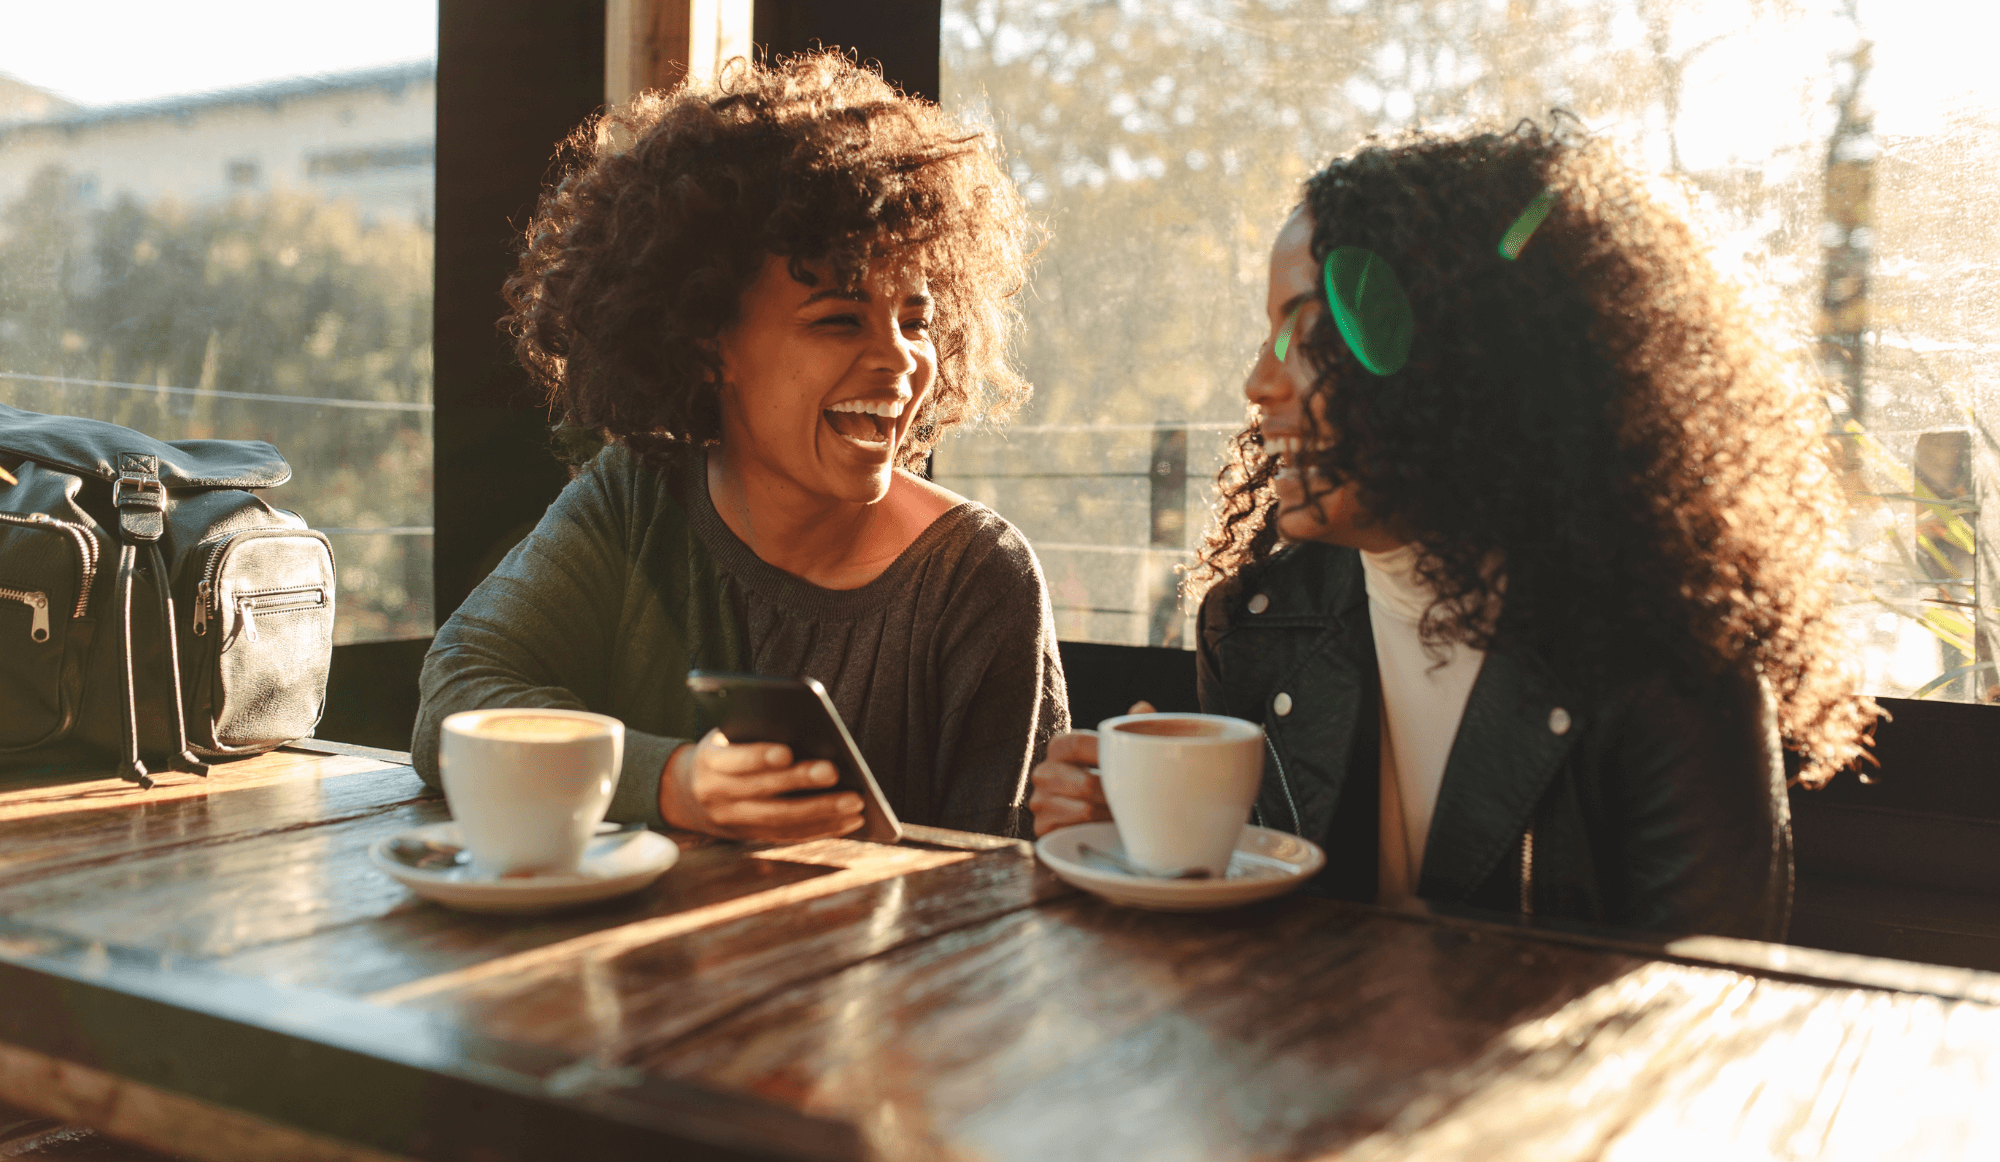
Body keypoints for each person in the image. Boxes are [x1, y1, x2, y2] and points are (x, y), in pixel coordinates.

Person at [1030, 124, 1877, 939]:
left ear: (1468, 360)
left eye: (1309, 332)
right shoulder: (1256, 625)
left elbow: (1703, 1020)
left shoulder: (1668, 665)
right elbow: (1253, 940)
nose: (1258, 382)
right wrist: (1145, 846)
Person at [414, 54, 1067, 842]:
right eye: (838, 317)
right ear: (706, 340)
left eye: (918, 320)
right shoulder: (636, 500)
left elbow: (1004, 890)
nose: (900, 360)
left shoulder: (979, 579)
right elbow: (456, 698)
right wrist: (672, 782)